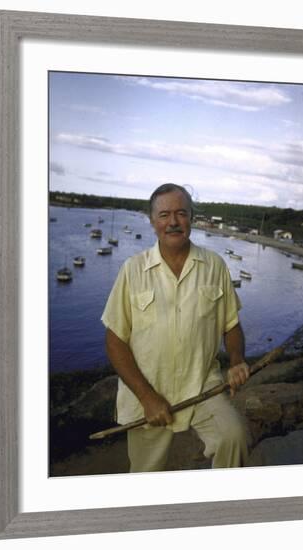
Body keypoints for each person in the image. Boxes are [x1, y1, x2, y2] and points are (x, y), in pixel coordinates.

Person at [101, 183, 250, 472]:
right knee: (146, 474)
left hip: (202, 384)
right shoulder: (132, 270)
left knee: (235, 438)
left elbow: (231, 324)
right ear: (152, 221)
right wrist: (146, 397)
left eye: (181, 213)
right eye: (165, 214)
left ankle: (227, 509)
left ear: (191, 217)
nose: (173, 222)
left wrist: (236, 361)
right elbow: (115, 340)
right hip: (148, 393)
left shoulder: (215, 265)